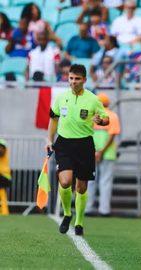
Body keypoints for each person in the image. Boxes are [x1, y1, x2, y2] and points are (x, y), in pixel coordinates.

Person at [45, 64, 109, 236]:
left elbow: (106, 118)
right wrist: (49, 139)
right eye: (71, 78)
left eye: (77, 79)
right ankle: (67, 213)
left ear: (84, 80)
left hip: (85, 145)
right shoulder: (60, 97)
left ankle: (79, 223)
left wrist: (100, 120)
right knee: (65, 182)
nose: (73, 82)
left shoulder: (93, 99)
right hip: (64, 144)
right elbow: (53, 119)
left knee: (81, 188)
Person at [85, 94, 120, 217]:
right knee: (105, 182)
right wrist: (102, 151)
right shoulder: (113, 116)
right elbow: (112, 135)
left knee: (90, 181)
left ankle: (88, 208)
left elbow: (87, 134)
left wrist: (95, 151)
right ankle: (104, 210)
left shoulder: (92, 117)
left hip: (91, 153)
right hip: (108, 154)